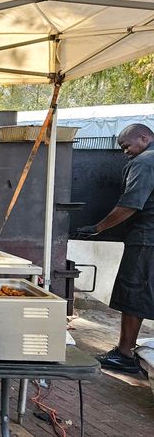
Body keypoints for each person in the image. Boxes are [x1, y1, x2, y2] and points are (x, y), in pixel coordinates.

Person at [76, 123, 154, 373]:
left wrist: (98, 227)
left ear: (144, 138)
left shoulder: (145, 162)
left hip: (147, 239)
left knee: (133, 292)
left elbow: (130, 204)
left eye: (126, 146)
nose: (124, 152)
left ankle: (124, 355)